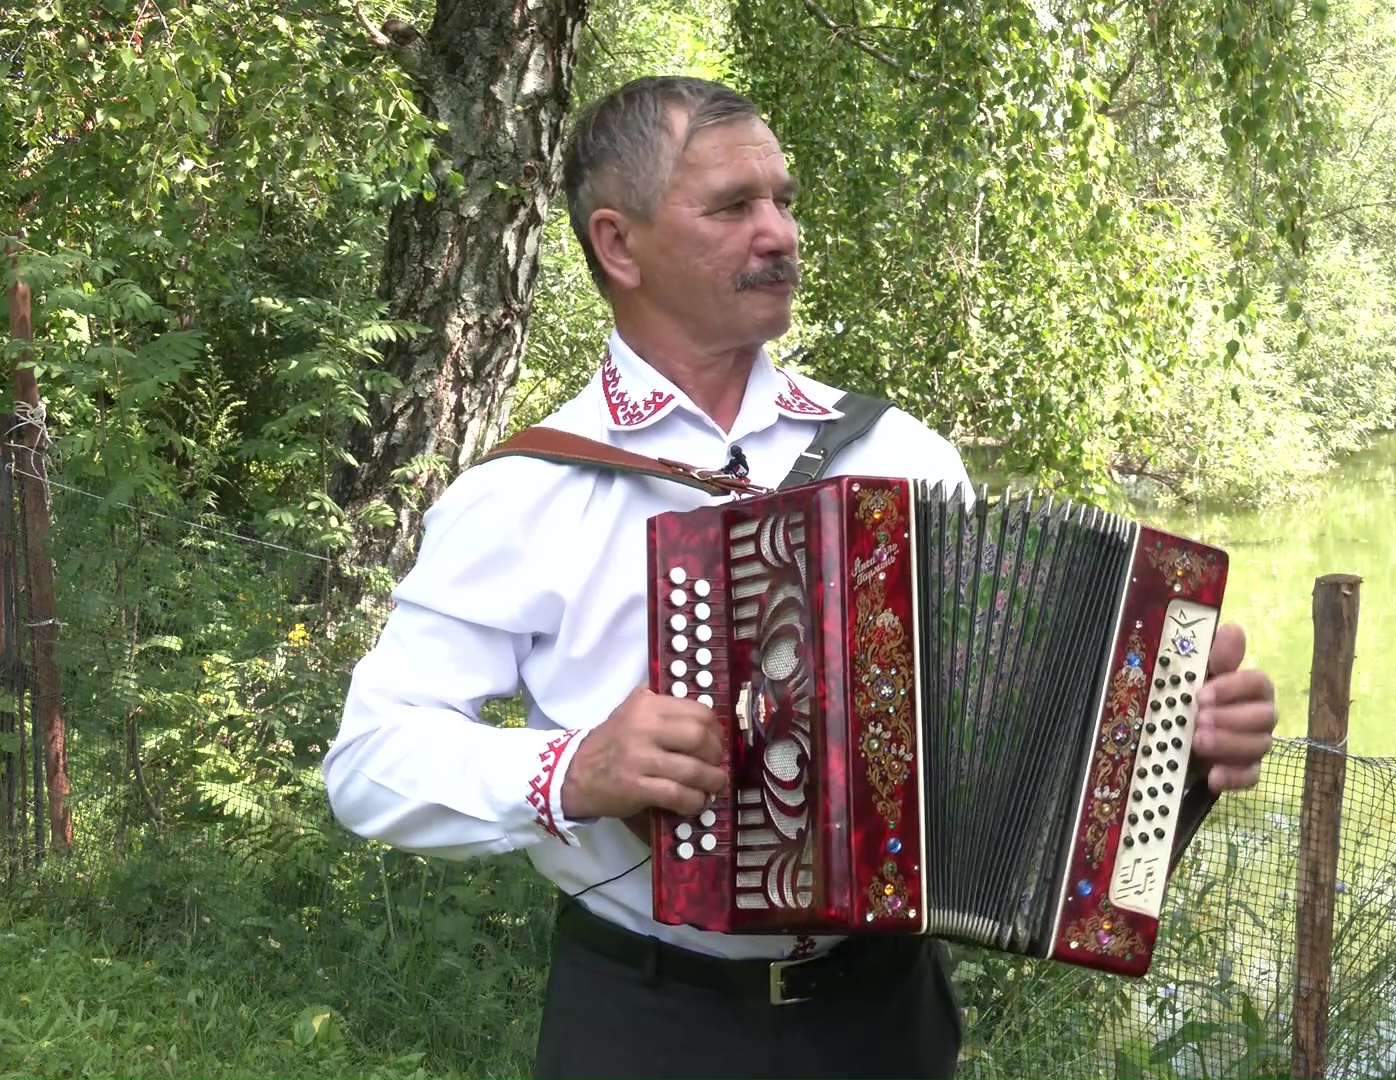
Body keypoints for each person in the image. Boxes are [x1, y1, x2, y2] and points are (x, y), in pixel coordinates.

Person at [323, 75, 1280, 1080]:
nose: (779, 232)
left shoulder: (901, 456)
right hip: (647, 1024)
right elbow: (369, 764)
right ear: (619, 244)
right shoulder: (528, 491)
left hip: (888, 1020)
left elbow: (1003, 762)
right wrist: (569, 773)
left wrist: (1172, 752)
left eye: (783, 200)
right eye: (733, 207)